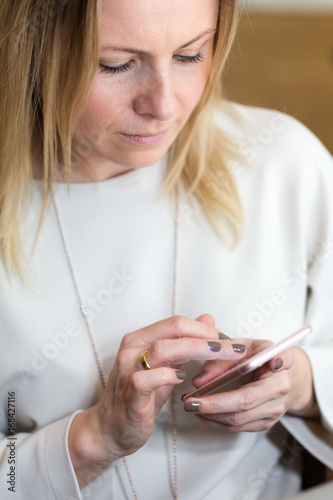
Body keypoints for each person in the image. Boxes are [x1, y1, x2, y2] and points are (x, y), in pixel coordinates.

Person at [0, 0, 332, 499]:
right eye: (115, 63)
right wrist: (90, 441)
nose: (164, 104)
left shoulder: (283, 162)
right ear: (31, 51)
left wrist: (302, 385)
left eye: (190, 55)